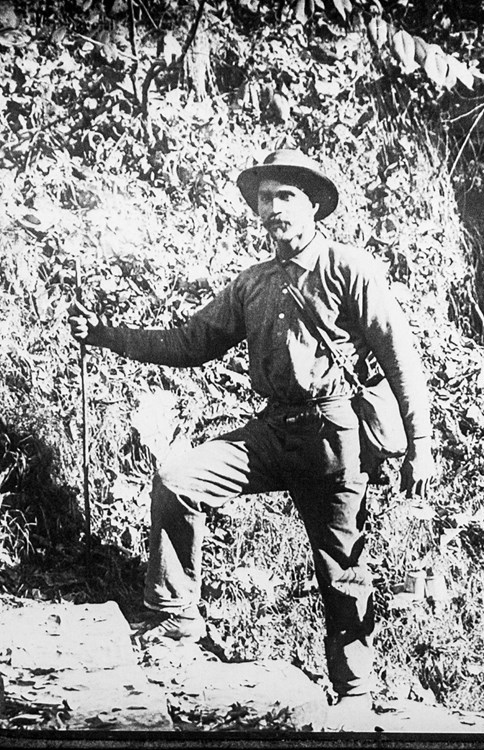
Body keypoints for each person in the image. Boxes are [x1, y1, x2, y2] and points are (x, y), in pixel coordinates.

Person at [69, 149, 435, 729]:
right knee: (178, 479)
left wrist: (420, 441)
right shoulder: (253, 283)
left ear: (313, 205)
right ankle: (176, 619)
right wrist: (109, 336)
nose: (272, 209)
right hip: (272, 430)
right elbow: (191, 343)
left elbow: (399, 354)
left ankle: (355, 691)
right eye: (265, 199)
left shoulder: (348, 268)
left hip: (333, 436)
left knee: (341, 565)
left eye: (285, 197)